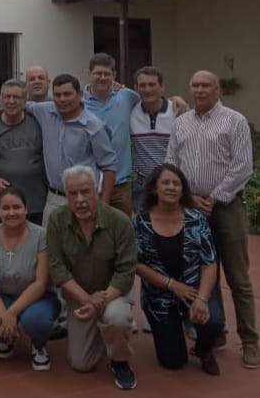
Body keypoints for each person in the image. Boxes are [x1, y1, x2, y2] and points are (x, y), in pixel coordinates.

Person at [166, 70, 259, 369]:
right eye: (195, 85)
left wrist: (215, 197)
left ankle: (250, 342)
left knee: (238, 277)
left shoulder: (234, 120)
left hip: (226, 205)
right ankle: (215, 332)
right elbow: (171, 163)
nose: (200, 90)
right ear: (190, 89)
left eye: (206, 85)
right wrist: (189, 198)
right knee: (207, 273)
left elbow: (244, 166)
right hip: (192, 207)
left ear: (218, 90)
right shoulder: (181, 123)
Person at [47, 165, 137, 390]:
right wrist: (88, 301)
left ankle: (120, 360)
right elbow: (56, 267)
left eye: (85, 191)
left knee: (116, 317)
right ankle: (106, 330)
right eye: (72, 193)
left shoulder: (119, 221)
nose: (79, 199)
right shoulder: (57, 220)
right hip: (80, 296)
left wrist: (102, 301)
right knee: (81, 363)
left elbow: (126, 271)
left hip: (113, 292)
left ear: (96, 191)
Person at [133, 164, 224, 375]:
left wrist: (201, 299)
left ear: (183, 190)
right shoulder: (140, 221)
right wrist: (172, 285)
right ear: (155, 189)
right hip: (160, 295)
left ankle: (203, 349)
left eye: (177, 183)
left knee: (215, 322)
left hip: (194, 290)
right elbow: (135, 264)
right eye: (165, 182)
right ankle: (173, 330)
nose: (172, 187)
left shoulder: (197, 219)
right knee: (173, 361)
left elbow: (209, 261)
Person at [0, 187, 59, 369]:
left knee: (35, 321)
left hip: (37, 297)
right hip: (3, 296)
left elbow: (41, 282)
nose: (11, 212)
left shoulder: (41, 236)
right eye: (6, 208)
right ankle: (7, 337)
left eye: (17, 207)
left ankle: (39, 345)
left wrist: (11, 313)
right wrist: (3, 314)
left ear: (26, 209)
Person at [28, 74, 116, 228]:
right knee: (51, 249)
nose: (62, 99)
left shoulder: (94, 126)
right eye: (58, 95)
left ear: (80, 94)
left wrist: (104, 206)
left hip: (85, 200)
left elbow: (109, 166)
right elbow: (15, 104)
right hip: (54, 199)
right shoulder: (44, 111)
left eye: (67, 94)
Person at [82, 54, 141, 217]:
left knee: (124, 234)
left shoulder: (127, 97)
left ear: (114, 75)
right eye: (98, 73)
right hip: (90, 185)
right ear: (89, 74)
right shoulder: (78, 102)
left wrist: (177, 100)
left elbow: (152, 100)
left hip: (122, 185)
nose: (102, 78)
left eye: (106, 74)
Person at [0, 79, 46, 225]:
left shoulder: (38, 122)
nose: (11, 101)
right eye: (7, 97)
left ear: (26, 101)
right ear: (0, 99)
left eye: (17, 97)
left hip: (36, 203)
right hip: (2, 205)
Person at [130, 66, 176, 213]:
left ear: (162, 87)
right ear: (136, 88)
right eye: (142, 85)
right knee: (144, 233)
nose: (147, 89)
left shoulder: (177, 111)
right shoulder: (130, 112)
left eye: (152, 84)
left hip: (172, 185)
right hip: (144, 186)